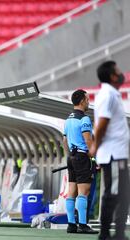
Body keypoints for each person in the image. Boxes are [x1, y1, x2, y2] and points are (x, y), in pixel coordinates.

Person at [90, 61, 130, 240]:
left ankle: (119, 233)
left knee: (123, 193)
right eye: (118, 71)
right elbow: (102, 125)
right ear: (112, 76)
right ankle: (105, 234)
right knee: (113, 193)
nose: (122, 74)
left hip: (118, 154)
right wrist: (95, 146)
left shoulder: (112, 94)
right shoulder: (107, 95)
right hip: (113, 154)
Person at [63, 89, 98, 234]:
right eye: (88, 100)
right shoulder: (84, 119)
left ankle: (71, 224)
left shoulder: (68, 120)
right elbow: (88, 141)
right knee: (84, 192)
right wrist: (95, 157)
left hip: (71, 157)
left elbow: (64, 141)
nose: (89, 102)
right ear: (82, 101)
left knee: (71, 191)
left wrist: (70, 156)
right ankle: (83, 225)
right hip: (83, 157)